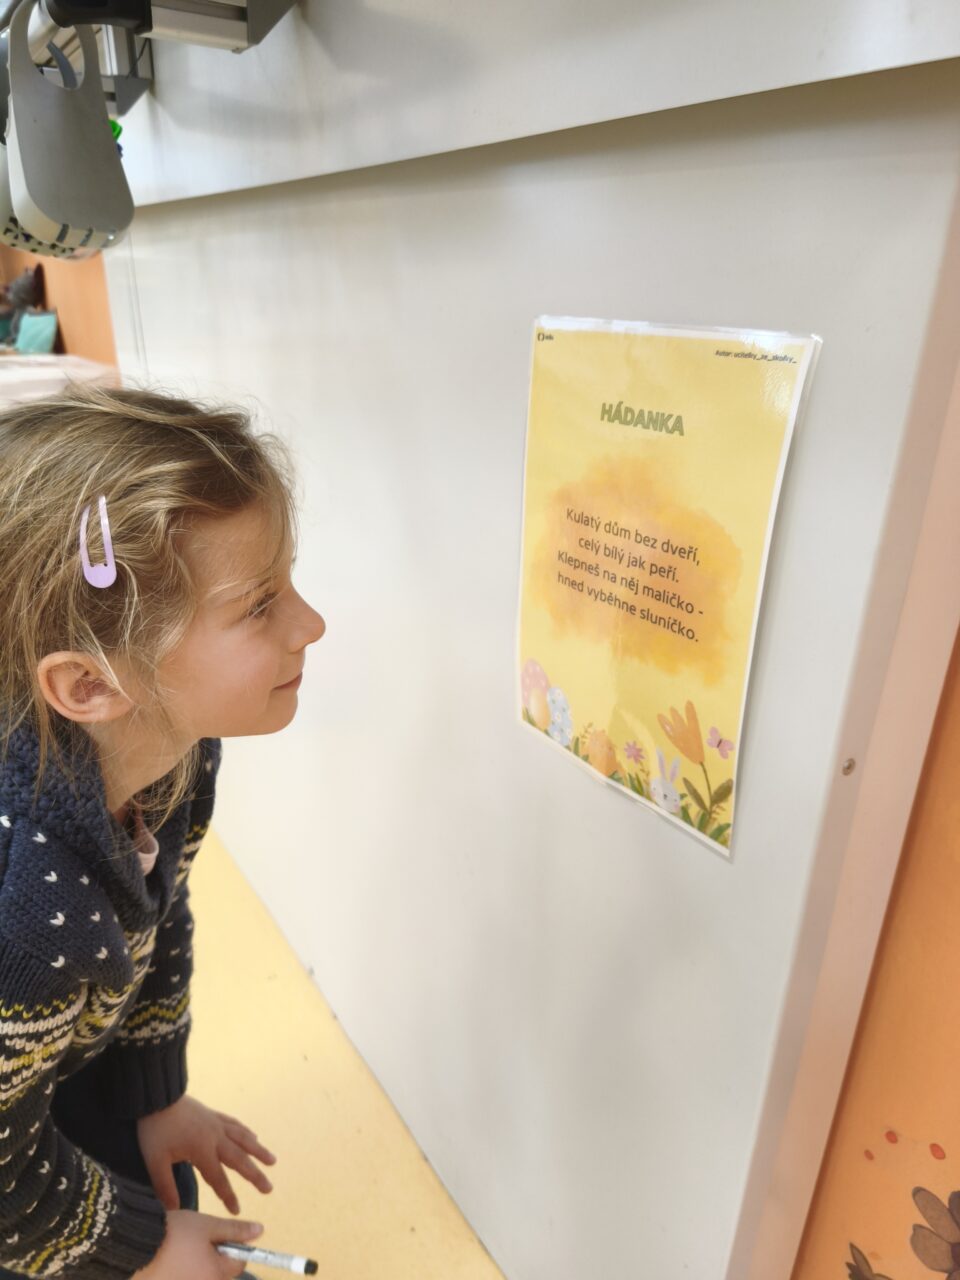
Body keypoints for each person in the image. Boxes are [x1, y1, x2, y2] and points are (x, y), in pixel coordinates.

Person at [0, 385, 326, 1278]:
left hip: (46, 1071)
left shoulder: (174, 750)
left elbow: (156, 916)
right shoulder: (24, 912)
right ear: (91, 686)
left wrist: (153, 1096)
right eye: (260, 605)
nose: (311, 624)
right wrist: (141, 1251)